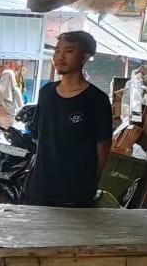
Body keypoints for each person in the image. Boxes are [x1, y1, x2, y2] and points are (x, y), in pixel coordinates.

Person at [23, 31, 113, 207]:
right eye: (57, 51)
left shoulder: (97, 99)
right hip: (39, 186)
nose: (60, 57)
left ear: (84, 57)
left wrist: (92, 181)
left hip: (75, 192)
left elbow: (104, 144)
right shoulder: (46, 92)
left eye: (69, 51)